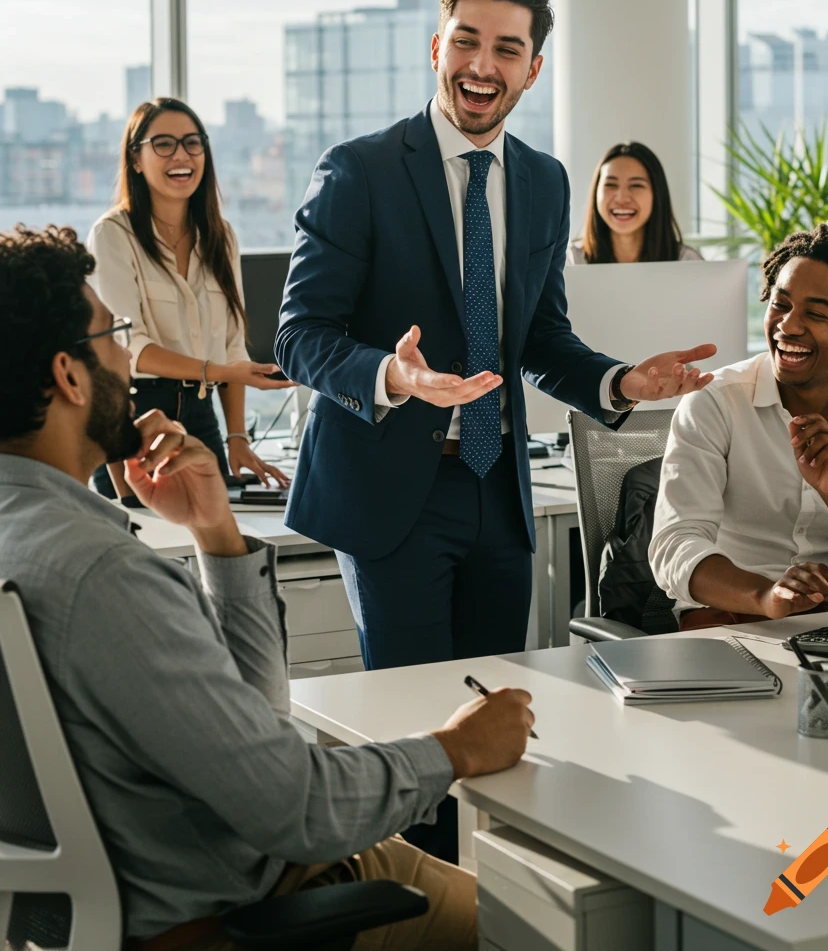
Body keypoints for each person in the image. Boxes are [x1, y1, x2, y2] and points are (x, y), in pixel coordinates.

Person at [0, 224, 538, 951]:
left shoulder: (28, 539)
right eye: (114, 334)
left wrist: (217, 537)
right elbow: (300, 807)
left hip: (73, 925)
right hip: (241, 909)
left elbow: (254, 726)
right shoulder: (101, 573)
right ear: (68, 376)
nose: (128, 358)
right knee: (568, 924)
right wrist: (455, 749)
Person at [276, 0, 715, 676]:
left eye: (507, 49)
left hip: (497, 493)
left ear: (533, 69)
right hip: (391, 495)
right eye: (465, 42)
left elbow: (540, 338)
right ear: (435, 49)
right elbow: (298, 337)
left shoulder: (544, 180)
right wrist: (394, 375)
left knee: (498, 711)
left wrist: (622, 382)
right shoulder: (359, 171)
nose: (482, 65)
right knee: (417, 718)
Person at [649, 225, 828, 631]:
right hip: (731, 620)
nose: (788, 326)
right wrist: (766, 596)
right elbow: (675, 547)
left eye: (815, 314)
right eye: (780, 304)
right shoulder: (715, 401)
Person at [88, 97, 291, 500]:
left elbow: (233, 344)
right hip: (139, 415)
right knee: (151, 545)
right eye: (163, 144)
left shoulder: (221, 235)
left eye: (192, 143)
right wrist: (226, 372)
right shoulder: (113, 234)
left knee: (217, 535)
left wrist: (237, 437)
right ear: (135, 158)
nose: (181, 155)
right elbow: (134, 349)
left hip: (201, 413)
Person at [568, 141, 702, 265]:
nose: (621, 198)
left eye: (636, 185)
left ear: (657, 194)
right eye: (610, 184)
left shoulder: (687, 262)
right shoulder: (571, 262)